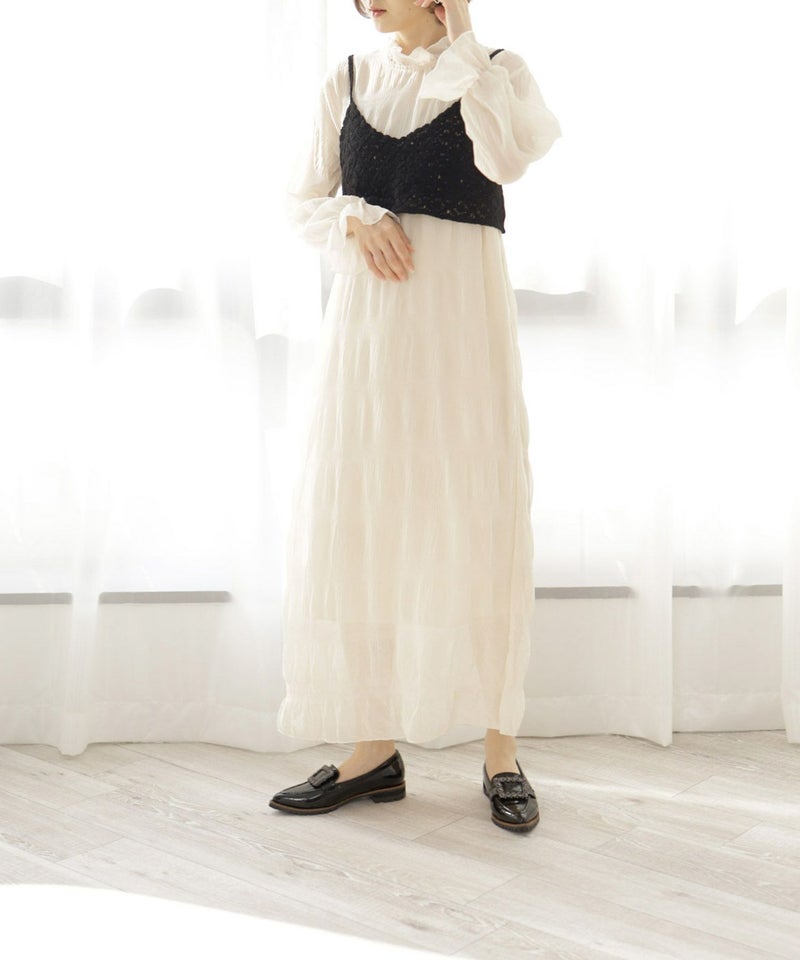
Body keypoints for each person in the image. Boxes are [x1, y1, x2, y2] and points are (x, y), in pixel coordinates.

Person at [269, 0, 561, 832]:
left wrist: (462, 35)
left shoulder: (497, 71)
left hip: (463, 330)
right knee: (364, 519)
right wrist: (354, 217)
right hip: (369, 336)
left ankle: (500, 753)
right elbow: (299, 201)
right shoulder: (348, 79)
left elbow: (506, 159)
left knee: (480, 517)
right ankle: (373, 751)